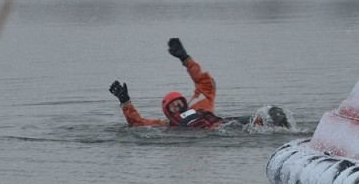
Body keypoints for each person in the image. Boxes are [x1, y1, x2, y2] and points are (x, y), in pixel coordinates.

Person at [109, 38, 290, 129]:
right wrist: (125, 102)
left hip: (225, 126)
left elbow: (205, 83)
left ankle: (278, 125)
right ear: (167, 112)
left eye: (179, 103)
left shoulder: (201, 105)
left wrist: (185, 58)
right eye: (173, 107)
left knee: (267, 115)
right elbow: (137, 124)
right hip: (216, 136)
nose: (177, 107)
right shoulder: (166, 126)